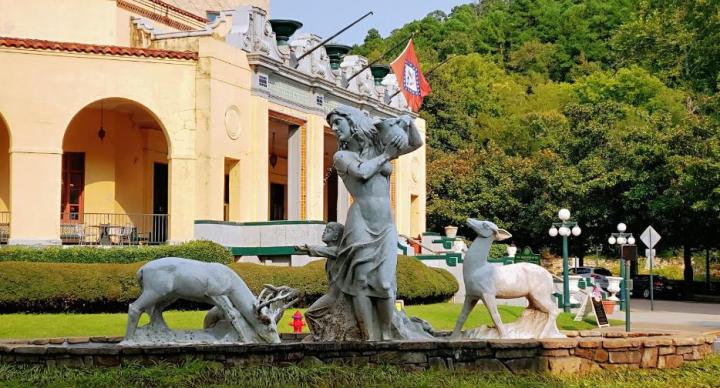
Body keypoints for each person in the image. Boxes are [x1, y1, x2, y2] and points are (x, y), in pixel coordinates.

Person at [324, 105, 423, 341]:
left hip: (385, 223)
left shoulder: (378, 147)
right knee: (360, 282)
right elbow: (362, 173)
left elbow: (416, 144)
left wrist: (408, 121)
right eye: (332, 125)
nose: (335, 128)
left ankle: (387, 334)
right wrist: (387, 155)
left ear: (353, 120)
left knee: (386, 283)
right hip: (360, 221)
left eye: (338, 122)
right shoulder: (341, 157)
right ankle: (368, 337)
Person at [294, 222, 344, 335]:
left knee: (310, 313)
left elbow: (328, 251)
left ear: (336, 236)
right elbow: (325, 251)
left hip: (336, 296)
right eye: (325, 229)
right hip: (332, 295)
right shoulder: (330, 254)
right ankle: (325, 336)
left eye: (329, 230)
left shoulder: (339, 251)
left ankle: (320, 337)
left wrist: (308, 249)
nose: (324, 231)